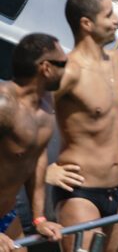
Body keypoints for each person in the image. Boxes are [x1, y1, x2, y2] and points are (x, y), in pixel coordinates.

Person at [53, 0, 118, 252]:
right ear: (86, 23)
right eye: (109, 15)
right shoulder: (67, 72)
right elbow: (25, 117)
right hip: (80, 195)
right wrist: (46, 171)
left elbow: (111, 124)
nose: (117, 20)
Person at [0, 33, 64, 252]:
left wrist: (39, 219)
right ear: (45, 68)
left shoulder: (46, 104)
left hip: (7, 215)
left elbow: (36, 158)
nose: (67, 70)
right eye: (63, 64)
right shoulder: (4, 105)